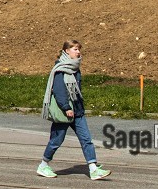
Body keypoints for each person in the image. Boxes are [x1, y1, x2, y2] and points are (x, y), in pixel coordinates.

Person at [39, 39, 110, 180]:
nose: (78, 52)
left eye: (79, 49)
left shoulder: (75, 68)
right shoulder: (60, 69)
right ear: (66, 51)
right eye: (75, 49)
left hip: (77, 111)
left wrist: (77, 108)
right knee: (56, 141)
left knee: (86, 139)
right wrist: (66, 108)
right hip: (65, 112)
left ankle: (93, 169)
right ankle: (43, 165)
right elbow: (59, 91)